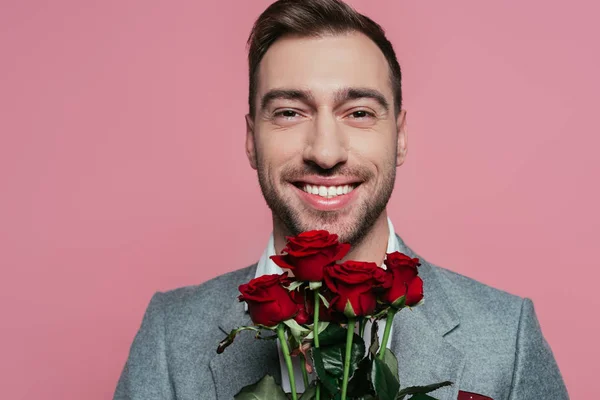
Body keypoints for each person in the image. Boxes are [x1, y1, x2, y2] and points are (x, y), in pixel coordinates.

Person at [114, 0, 568, 399]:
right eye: (290, 112)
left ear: (400, 136)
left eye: (359, 113)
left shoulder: (507, 335)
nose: (326, 152)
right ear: (252, 140)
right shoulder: (169, 337)